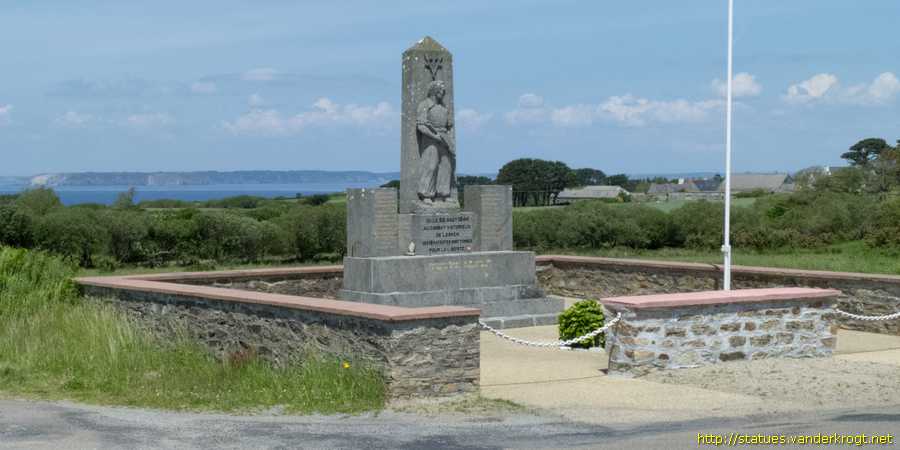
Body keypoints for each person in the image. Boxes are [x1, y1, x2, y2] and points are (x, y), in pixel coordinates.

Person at [416, 80, 455, 204]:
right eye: (440, 91)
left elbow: (449, 126)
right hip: (430, 139)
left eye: (443, 91)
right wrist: (435, 136)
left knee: (446, 165)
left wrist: (448, 139)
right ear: (434, 91)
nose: (443, 93)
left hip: (444, 138)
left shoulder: (443, 108)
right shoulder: (424, 105)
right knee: (430, 165)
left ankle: (444, 193)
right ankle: (426, 194)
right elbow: (421, 126)